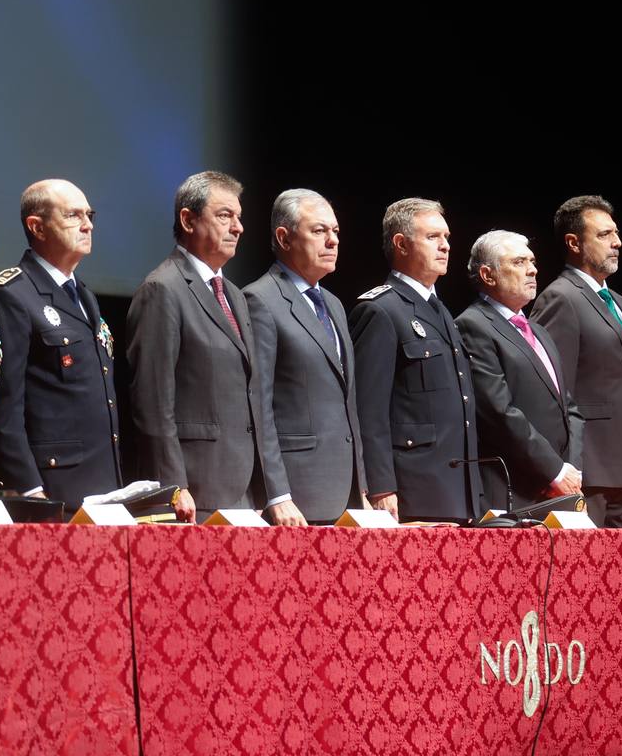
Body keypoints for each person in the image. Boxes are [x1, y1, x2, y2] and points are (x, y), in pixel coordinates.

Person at [124, 171, 275, 523]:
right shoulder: (163, 289)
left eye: (239, 218)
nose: (237, 227)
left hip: (244, 490)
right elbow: (152, 401)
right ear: (188, 220)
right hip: (195, 491)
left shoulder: (235, 295)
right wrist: (173, 486)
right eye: (225, 216)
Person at [0, 179, 121, 507]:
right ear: (38, 227)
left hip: (102, 484)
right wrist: (29, 488)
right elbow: (6, 406)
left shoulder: (84, 295)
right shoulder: (14, 294)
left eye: (89, 214)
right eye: (73, 215)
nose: (87, 224)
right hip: (53, 487)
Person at [348, 198, 482, 523]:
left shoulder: (441, 310)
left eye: (446, 237)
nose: (445, 246)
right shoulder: (381, 309)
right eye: (433, 237)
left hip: (458, 489)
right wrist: (379, 486)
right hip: (413, 489)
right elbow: (368, 409)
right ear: (401, 243)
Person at [242, 189, 367, 525]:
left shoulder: (335, 305)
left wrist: (363, 487)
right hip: (297, 496)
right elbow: (259, 405)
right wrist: (277, 494)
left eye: (335, 232)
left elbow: (347, 404)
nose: (332, 241)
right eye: (319, 231)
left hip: (346, 496)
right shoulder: (260, 299)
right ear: (284, 237)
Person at [531, 195, 622, 528]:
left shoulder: (619, 302)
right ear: (574, 242)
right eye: (604, 235)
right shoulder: (560, 297)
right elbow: (553, 391)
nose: (617, 243)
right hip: (587, 470)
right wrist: (564, 468)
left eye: (617, 233)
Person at [456, 231, 584, 509]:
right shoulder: (473, 325)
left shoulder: (539, 331)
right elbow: (498, 411)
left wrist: (571, 469)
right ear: (488, 275)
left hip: (561, 485)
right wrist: (554, 471)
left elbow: (569, 407)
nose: (532, 269)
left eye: (532, 261)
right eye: (518, 262)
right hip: (514, 486)